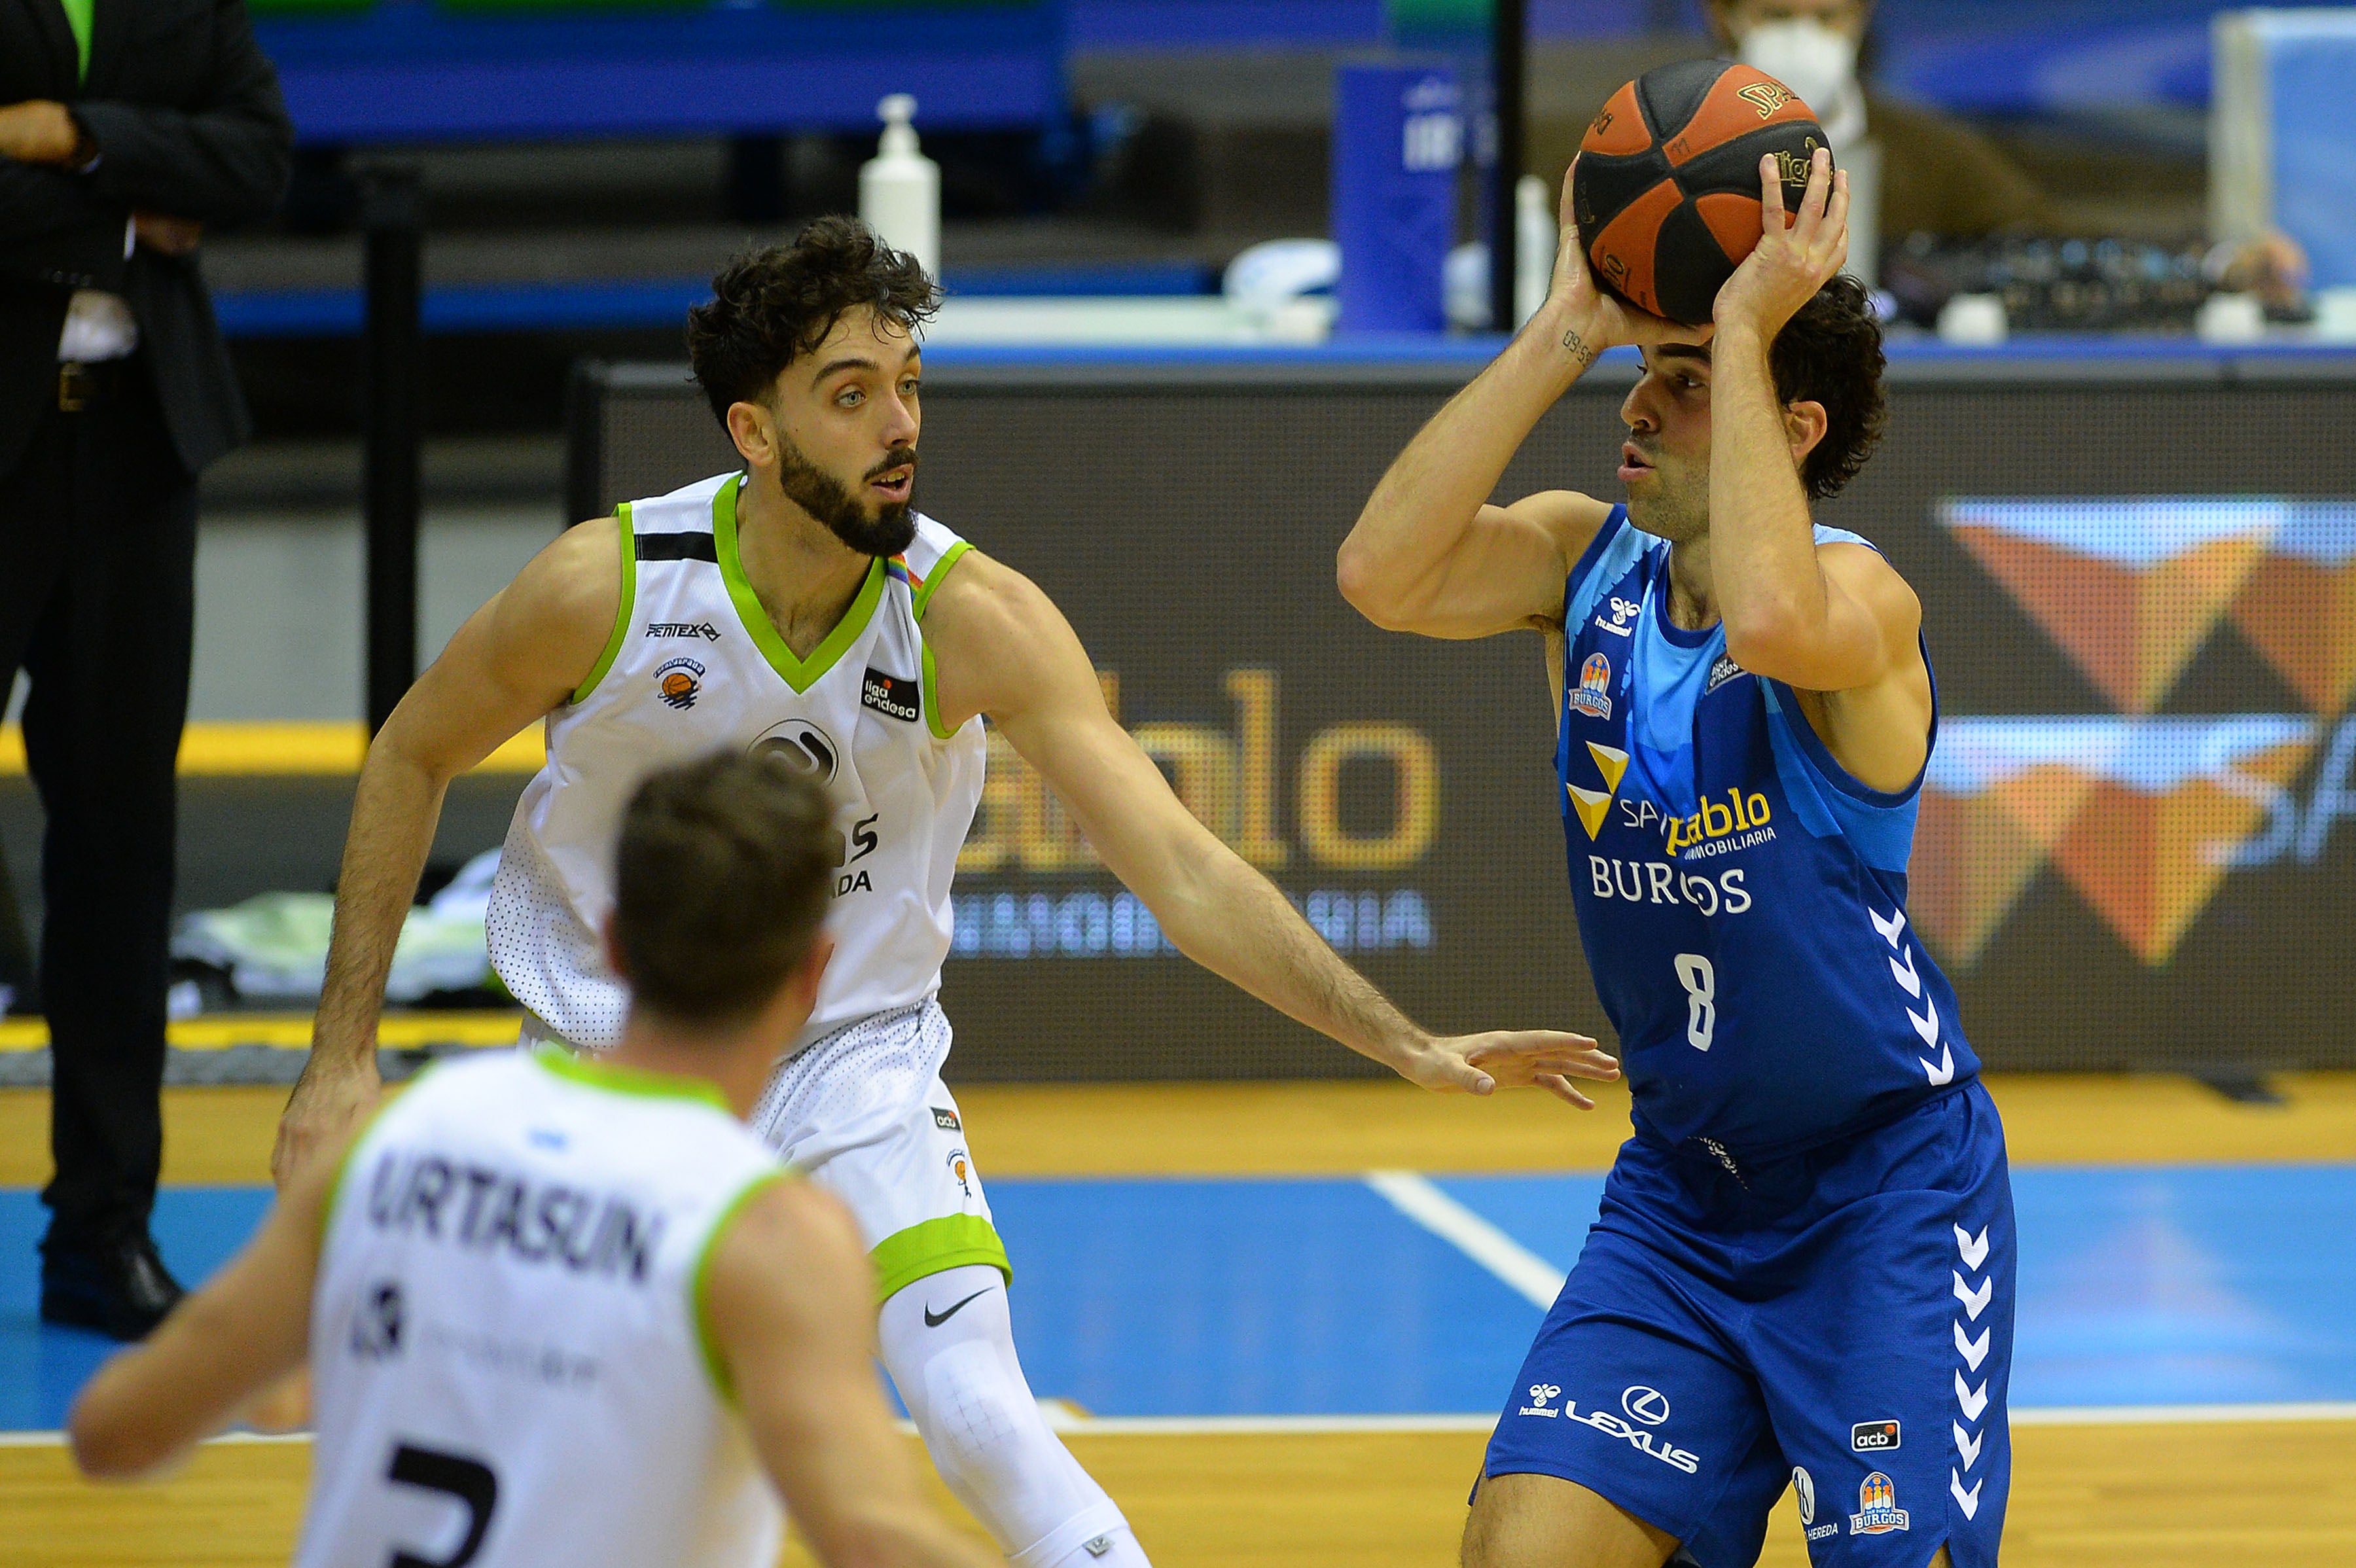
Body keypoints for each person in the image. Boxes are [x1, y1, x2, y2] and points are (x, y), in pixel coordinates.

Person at [268, 216, 1622, 1568]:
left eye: (908, 385)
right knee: (623, 1475)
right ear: (753, 432)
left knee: (976, 1405)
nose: (898, 423)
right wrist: (339, 1059)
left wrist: (1401, 1040)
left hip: (854, 1053)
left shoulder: (971, 617)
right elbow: (413, 750)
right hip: (621, 1052)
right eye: (850, 396)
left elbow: (1185, 866)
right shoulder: (606, 589)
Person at [1339, 152, 2012, 1568]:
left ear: (1788, 417)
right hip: (1685, 1202)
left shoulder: (1862, 601)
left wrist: (1756, 328)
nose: (1637, 405)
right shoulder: (1584, 567)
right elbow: (1381, 575)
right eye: (1644, 371)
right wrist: (1567, 328)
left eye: (1686, 380)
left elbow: (1770, 622)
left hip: (1883, 1197)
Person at [70, 751, 1001, 1568]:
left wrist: (294, 1378)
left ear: (613, 943)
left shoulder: (406, 1138)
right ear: (811, 976)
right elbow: (874, 1540)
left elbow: (113, 1432)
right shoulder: (767, 1238)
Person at [0, 0, 293, 1339]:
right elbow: (189, 180)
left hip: (132, 457)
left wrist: (68, 137)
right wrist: (131, 211)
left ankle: (100, 1232)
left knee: (121, 848)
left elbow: (257, 160)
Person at [1702, 0, 2306, 304]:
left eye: (1826, 17)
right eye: (1777, 15)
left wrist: (2218, 265)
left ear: (1860, 17)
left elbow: (2059, 243)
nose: (1803, 38)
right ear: (1725, 16)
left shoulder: (1930, 153)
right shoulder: (1658, 141)